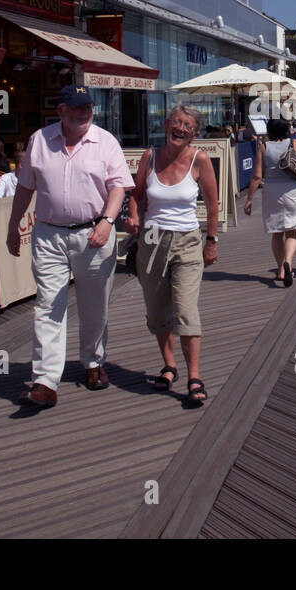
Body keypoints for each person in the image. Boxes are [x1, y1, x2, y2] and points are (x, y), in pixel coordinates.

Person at [6, 85, 133, 407]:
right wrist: (12, 226)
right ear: (60, 110)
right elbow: (24, 188)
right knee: (48, 305)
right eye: (77, 107)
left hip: (93, 234)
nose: (84, 112)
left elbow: (118, 186)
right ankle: (46, 380)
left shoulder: (105, 142)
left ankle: (93, 362)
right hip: (48, 234)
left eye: (88, 106)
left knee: (94, 307)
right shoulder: (40, 140)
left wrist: (107, 221)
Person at [124, 105, 220, 406]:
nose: (180, 128)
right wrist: (135, 216)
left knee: (186, 310)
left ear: (195, 133)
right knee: (156, 310)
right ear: (166, 125)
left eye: (187, 125)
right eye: (176, 122)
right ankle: (169, 366)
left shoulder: (199, 159)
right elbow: (137, 194)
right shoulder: (150, 157)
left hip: (188, 242)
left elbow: (213, 205)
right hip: (151, 242)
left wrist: (211, 241)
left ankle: (194, 376)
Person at [244, 117, 296, 286]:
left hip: (272, 191)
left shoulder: (264, 147)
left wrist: (249, 200)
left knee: (277, 233)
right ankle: (288, 263)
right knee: (292, 232)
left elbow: (257, 176)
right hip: (293, 190)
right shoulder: (295, 144)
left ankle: (281, 271)